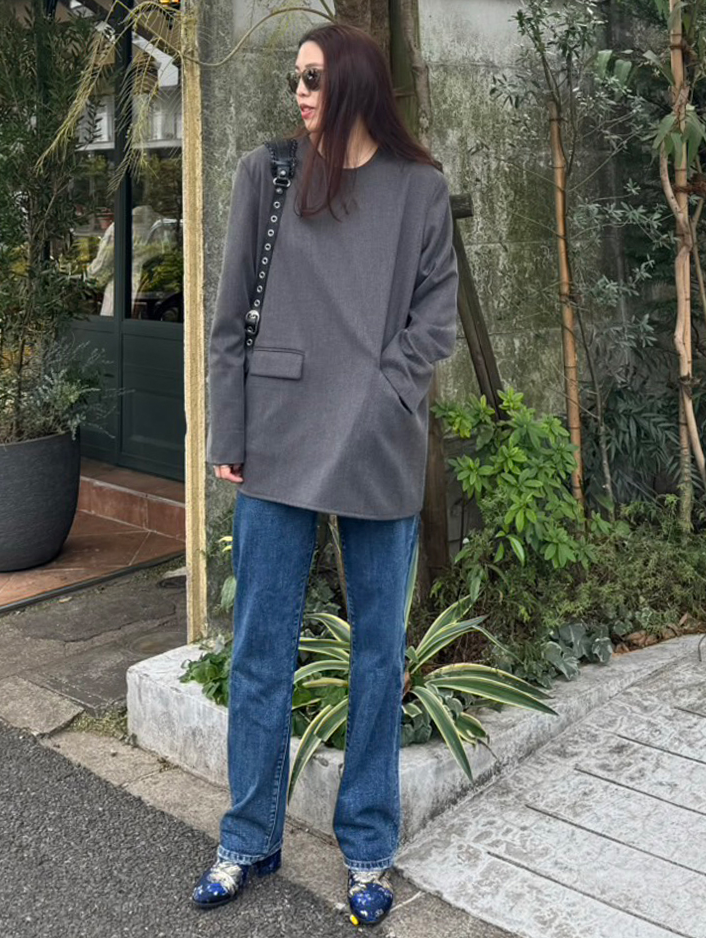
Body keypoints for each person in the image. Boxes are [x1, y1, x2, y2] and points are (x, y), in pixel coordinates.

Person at [194, 22, 459, 929]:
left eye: (312, 78)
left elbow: (435, 318)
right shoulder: (268, 175)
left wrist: (385, 394)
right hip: (277, 437)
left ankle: (369, 847)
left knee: (379, 657)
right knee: (258, 648)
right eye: (295, 80)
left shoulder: (420, 189)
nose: (300, 94)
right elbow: (229, 318)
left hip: (379, 444)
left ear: (353, 81)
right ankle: (248, 837)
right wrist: (228, 431)